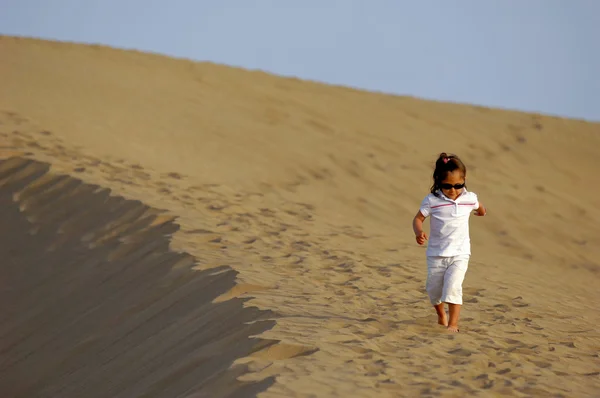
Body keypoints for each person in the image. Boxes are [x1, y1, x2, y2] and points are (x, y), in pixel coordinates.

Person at [412, 152, 486, 332]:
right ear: (438, 181)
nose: (453, 190)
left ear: (464, 180)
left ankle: (453, 324)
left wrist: (481, 212)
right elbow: (418, 218)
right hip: (436, 254)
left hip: (460, 254)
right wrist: (419, 231)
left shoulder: (469, 198)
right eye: (447, 186)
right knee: (434, 291)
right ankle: (441, 314)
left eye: (458, 185)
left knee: (453, 287)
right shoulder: (432, 201)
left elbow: (480, 207)